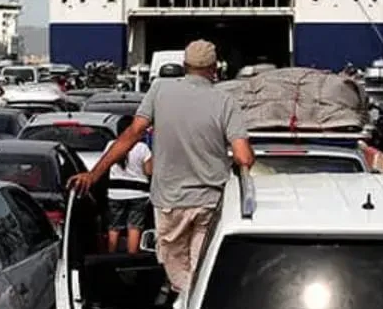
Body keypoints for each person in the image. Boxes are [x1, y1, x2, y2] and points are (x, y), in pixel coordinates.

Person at [69, 40, 254, 294]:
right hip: (210, 201)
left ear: (184, 66)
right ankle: (197, 305)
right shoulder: (225, 101)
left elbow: (132, 134)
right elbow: (244, 158)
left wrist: (93, 175)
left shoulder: (159, 90)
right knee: (203, 269)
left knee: (177, 272)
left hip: (170, 202)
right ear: (214, 69)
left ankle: (183, 305)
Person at [104, 117, 153, 254]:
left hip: (115, 192)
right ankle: (132, 257)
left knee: (114, 226)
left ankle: (111, 254)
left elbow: (105, 165)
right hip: (139, 193)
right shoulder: (142, 148)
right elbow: (149, 171)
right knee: (134, 226)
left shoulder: (111, 145)